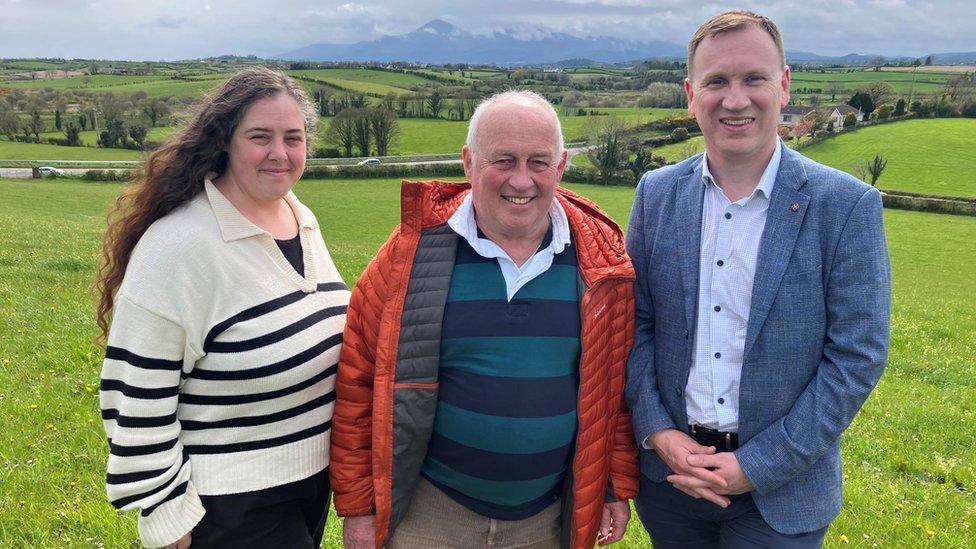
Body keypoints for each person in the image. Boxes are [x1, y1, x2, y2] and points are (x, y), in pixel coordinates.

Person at [625, 10, 891, 548]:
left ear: (785, 84)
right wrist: (657, 431)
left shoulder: (845, 205)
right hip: (672, 483)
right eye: (716, 81)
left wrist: (759, 464)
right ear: (690, 94)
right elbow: (635, 324)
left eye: (754, 79)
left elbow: (857, 354)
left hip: (782, 496)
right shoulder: (656, 194)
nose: (736, 99)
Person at [330, 90, 638, 549]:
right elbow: (358, 382)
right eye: (503, 160)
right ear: (468, 162)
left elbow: (612, 392)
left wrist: (613, 486)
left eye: (538, 162)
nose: (521, 180)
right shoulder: (409, 255)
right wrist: (357, 510)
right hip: (430, 514)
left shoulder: (600, 262)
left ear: (562, 165)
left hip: (546, 521)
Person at [96, 67, 349, 548]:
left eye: (293, 138)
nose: (280, 153)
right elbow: (133, 391)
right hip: (229, 504)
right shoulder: (179, 245)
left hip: (309, 488)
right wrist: (167, 514)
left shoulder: (299, 216)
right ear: (225, 143)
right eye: (261, 137)